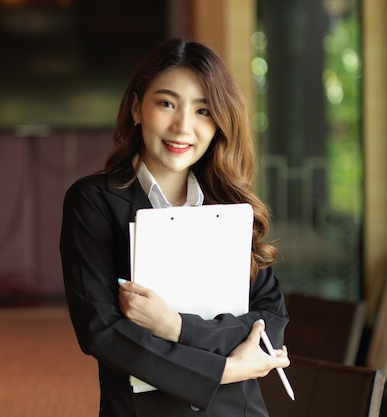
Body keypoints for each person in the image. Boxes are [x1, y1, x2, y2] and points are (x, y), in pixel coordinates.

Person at [60, 38, 290, 416]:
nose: (183, 126)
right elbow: (103, 332)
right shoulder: (93, 202)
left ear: (219, 122)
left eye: (203, 110)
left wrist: (177, 328)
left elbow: (270, 321)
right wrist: (226, 369)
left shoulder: (230, 205)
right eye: (166, 103)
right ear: (137, 108)